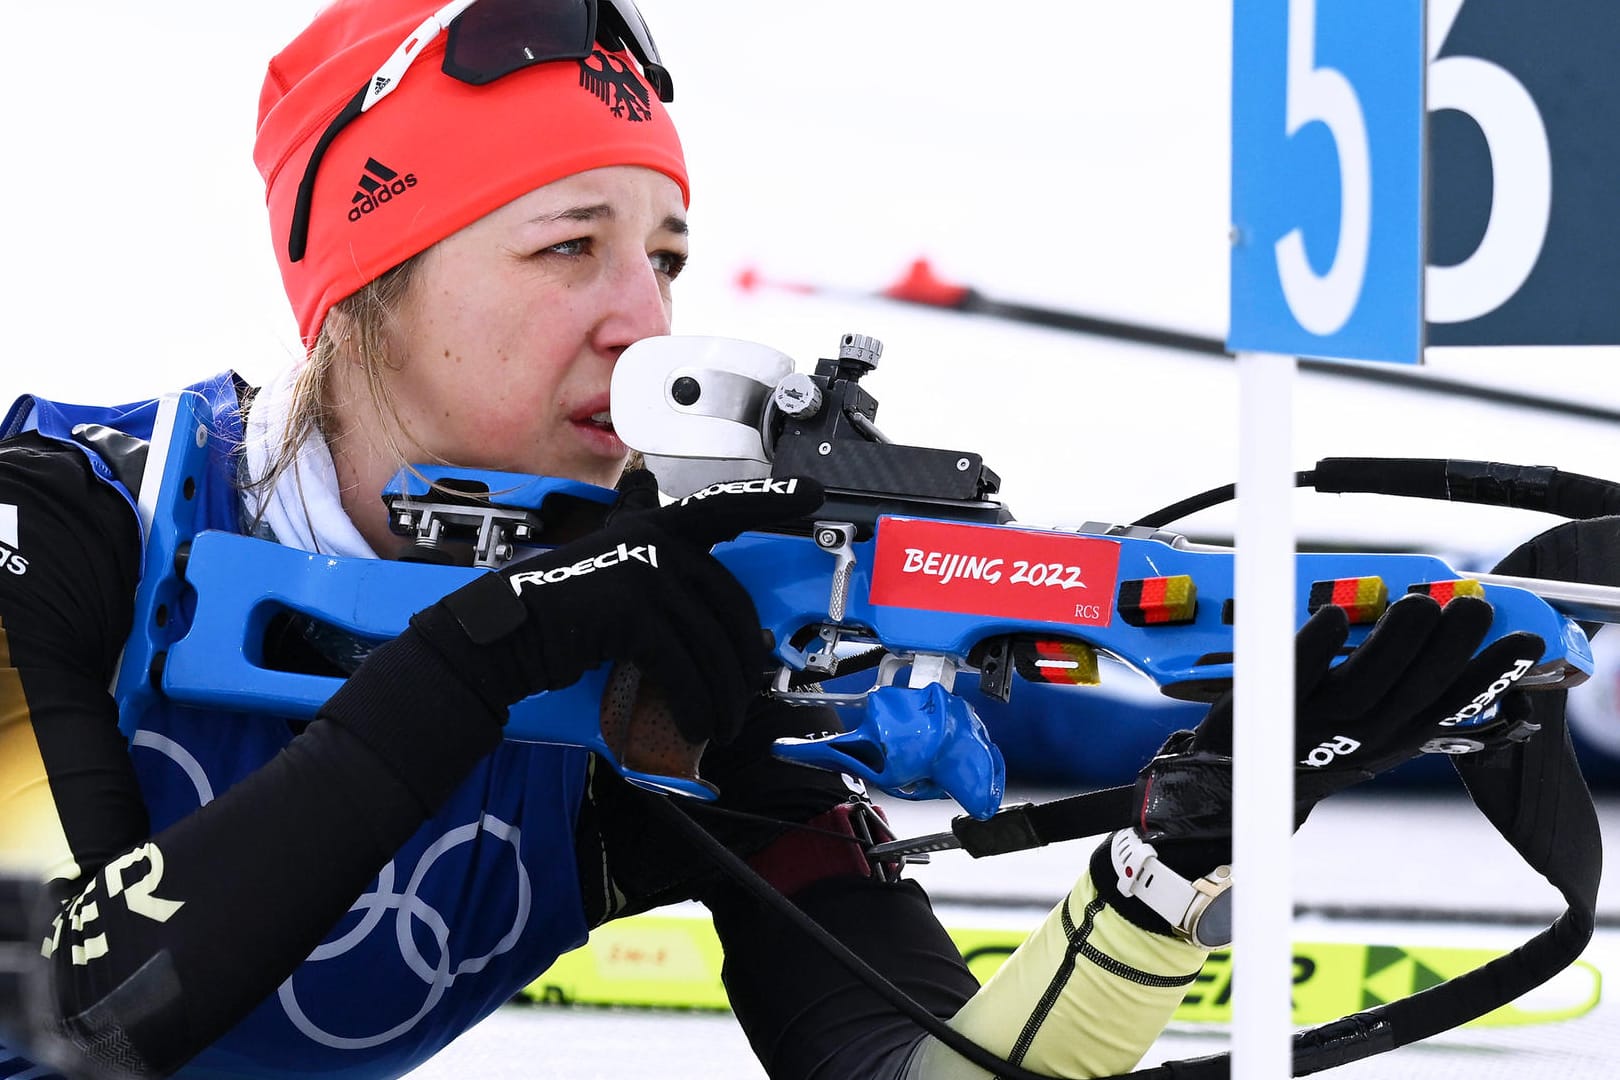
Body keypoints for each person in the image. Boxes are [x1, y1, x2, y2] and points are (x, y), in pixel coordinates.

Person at [0, 2, 1550, 1078]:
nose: (646, 317)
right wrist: (474, 668)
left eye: (666, 252)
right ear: (370, 285)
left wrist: (1172, 862)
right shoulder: (75, 523)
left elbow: (904, 1065)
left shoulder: (663, 620)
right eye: (568, 248)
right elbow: (68, 1001)